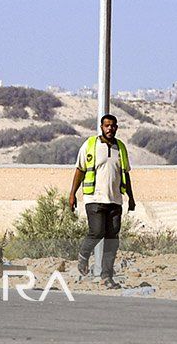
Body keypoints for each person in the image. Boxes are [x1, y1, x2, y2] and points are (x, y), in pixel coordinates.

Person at [69, 114, 137, 289]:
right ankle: (83, 255)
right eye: (107, 125)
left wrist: (131, 197)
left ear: (116, 127)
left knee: (112, 239)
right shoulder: (90, 145)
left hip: (115, 200)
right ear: (101, 127)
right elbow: (79, 170)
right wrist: (72, 194)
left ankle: (107, 276)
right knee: (97, 231)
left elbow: (126, 174)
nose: (110, 129)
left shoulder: (120, 147)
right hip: (94, 198)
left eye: (113, 126)